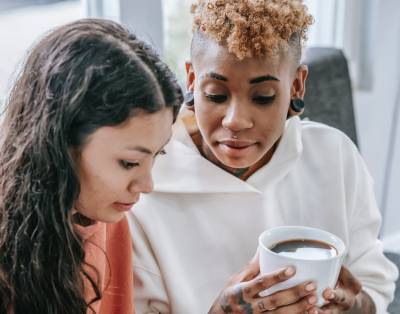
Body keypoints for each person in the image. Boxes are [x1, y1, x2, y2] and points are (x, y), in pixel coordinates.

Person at [127, 0, 398, 313]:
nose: (236, 120)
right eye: (216, 94)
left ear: (296, 86)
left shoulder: (334, 157)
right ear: (191, 79)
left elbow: (375, 283)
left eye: (263, 97)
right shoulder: (144, 184)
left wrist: (357, 306)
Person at [0, 19, 182, 314]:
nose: (147, 185)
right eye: (129, 162)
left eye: (157, 156)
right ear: (60, 143)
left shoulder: (110, 222)